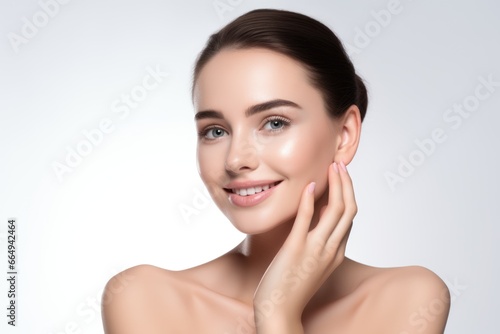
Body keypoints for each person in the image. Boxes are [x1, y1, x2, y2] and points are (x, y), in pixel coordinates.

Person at [102, 8, 450, 333]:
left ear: (344, 135)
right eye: (215, 131)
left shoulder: (408, 299)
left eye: (274, 123)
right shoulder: (146, 299)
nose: (235, 159)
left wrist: (276, 312)